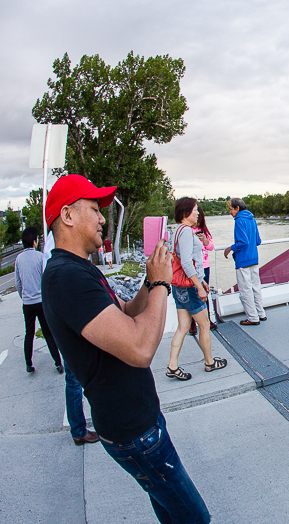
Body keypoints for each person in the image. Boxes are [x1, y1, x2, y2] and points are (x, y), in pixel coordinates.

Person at [41, 175, 211, 523]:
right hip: (133, 430)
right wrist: (164, 283)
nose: (103, 218)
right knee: (195, 518)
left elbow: (128, 311)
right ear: (68, 215)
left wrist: (150, 280)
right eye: (94, 209)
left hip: (138, 423)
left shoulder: (81, 269)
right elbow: (140, 348)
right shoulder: (65, 277)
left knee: (171, 512)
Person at [42, 230, 99, 446]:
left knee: (73, 379)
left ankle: (79, 428)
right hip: (67, 314)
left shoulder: (51, 247)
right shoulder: (59, 253)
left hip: (59, 311)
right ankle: (78, 430)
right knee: (74, 380)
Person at [167, 198, 227, 381]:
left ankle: (172, 366)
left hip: (179, 286)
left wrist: (201, 280)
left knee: (183, 326)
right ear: (186, 213)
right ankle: (209, 362)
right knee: (204, 324)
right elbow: (186, 262)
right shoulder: (186, 232)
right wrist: (199, 286)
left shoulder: (177, 230)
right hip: (189, 287)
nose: (198, 213)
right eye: (195, 210)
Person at [15, 227, 64, 374]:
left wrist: (23, 296)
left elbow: (18, 283)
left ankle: (28, 363)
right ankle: (57, 363)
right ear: (35, 241)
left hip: (27, 303)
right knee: (48, 332)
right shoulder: (39, 257)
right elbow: (45, 278)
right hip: (40, 301)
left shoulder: (18, 259)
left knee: (29, 333)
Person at [223, 198, 267, 325]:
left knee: (245, 291)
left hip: (243, 260)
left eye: (231, 209)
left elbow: (243, 242)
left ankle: (253, 318)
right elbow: (257, 241)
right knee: (256, 287)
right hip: (254, 259)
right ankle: (261, 313)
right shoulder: (252, 219)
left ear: (237, 208)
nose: (230, 212)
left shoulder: (239, 221)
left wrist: (231, 248)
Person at [189, 207, 217, 335]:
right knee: (193, 293)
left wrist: (204, 239)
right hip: (193, 267)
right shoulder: (187, 231)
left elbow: (210, 247)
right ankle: (192, 323)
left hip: (205, 266)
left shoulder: (204, 231)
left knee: (205, 293)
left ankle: (208, 319)